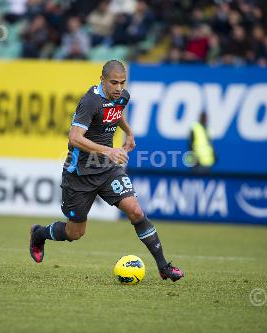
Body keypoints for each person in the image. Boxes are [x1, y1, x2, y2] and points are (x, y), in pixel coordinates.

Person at [28, 60, 184, 282]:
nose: (119, 88)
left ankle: (163, 267)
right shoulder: (90, 101)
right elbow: (74, 138)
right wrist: (108, 151)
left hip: (108, 170)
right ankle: (39, 233)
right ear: (102, 80)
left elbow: (115, 113)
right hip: (79, 174)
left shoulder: (121, 96)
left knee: (136, 211)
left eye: (122, 82)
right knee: (75, 233)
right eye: (114, 83)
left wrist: (129, 132)